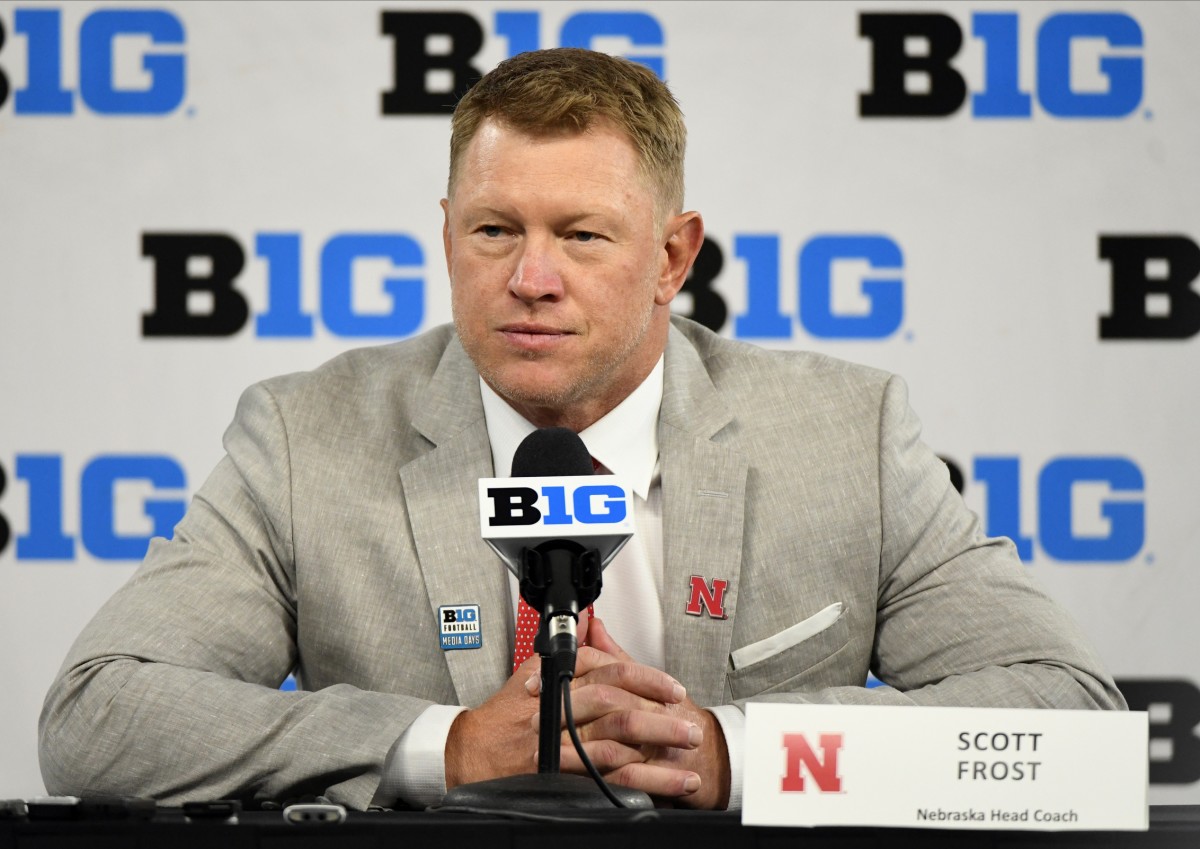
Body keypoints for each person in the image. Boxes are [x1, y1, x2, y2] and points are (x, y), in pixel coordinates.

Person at [39, 48, 1124, 812]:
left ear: (672, 257)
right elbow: (98, 716)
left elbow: (1071, 716)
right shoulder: (305, 437)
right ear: (447, 238)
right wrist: (443, 747)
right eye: (493, 230)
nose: (531, 277)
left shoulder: (846, 435)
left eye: (583, 235)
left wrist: (731, 751)